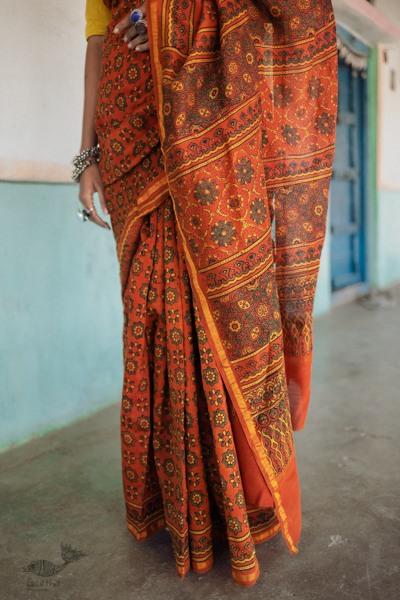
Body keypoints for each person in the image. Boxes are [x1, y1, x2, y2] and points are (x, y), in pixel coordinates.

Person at [76, 0, 337, 587]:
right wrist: (86, 155)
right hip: (129, 143)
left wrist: (170, 19)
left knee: (228, 320)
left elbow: (286, 14)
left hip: (205, 139)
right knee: (151, 325)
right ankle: (175, 504)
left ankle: (237, 506)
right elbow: (96, 48)